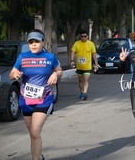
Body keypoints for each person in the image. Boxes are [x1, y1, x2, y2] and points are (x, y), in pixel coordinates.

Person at [9, 29, 62, 160]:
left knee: (35, 132)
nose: (33, 44)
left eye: (37, 41)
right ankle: (39, 156)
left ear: (43, 42)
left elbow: (59, 70)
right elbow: (12, 73)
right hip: (25, 100)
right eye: (31, 42)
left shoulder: (50, 57)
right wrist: (14, 75)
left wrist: (55, 74)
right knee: (33, 135)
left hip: (44, 99)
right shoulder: (23, 57)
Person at [70, 31, 99, 100]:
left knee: (86, 80)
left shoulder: (91, 44)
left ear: (87, 37)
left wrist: (96, 64)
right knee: (80, 80)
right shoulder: (77, 43)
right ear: (80, 37)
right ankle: (82, 92)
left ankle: (85, 93)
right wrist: (72, 61)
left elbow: (94, 55)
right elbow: (73, 52)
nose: (83, 38)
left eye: (85, 36)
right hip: (79, 66)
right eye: (82, 36)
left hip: (87, 66)